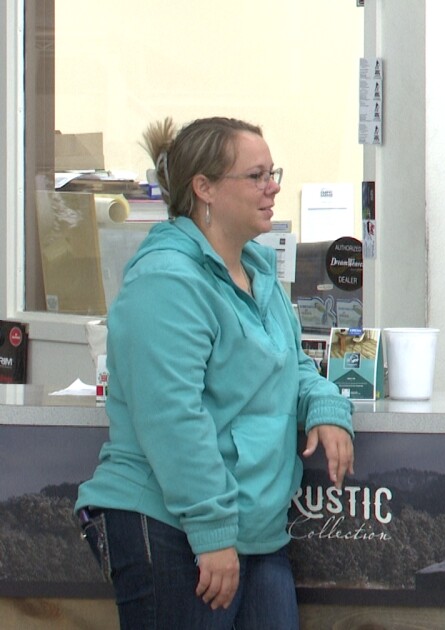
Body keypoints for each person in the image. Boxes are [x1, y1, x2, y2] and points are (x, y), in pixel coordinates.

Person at [75, 117, 355, 629]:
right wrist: (212, 533)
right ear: (203, 188)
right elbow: (172, 417)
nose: (272, 188)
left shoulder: (257, 273)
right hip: (175, 527)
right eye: (255, 176)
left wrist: (327, 407)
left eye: (274, 173)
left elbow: (291, 367)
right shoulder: (166, 281)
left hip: (251, 531)